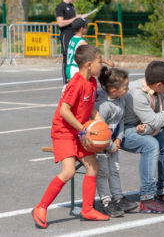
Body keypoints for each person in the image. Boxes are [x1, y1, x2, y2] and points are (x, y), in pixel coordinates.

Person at [32, 45, 109, 229]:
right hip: (64, 132)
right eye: (100, 61)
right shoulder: (76, 83)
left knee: (93, 166)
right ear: (89, 65)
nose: (103, 64)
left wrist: (102, 127)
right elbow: (65, 111)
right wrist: (83, 130)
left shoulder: (92, 82)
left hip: (79, 131)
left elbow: (91, 108)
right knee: (69, 172)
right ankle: (41, 207)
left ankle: (87, 209)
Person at [122, 61, 164, 214]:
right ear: (158, 85)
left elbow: (152, 123)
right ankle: (147, 198)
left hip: (143, 125)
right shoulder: (137, 94)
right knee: (150, 145)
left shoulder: (157, 89)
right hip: (122, 130)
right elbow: (156, 121)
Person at [95, 67, 139, 217]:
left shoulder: (120, 100)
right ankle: (106, 201)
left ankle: (118, 198)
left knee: (114, 170)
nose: (128, 90)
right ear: (113, 90)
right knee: (103, 172)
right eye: (125, 87)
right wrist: (110, 145)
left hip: (113, 143)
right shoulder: (103, 105)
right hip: (100, 145)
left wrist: (119, 138)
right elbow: (100, 129)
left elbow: (120, 121)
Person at [65, 18, 114, 83]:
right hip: (75, 69)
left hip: (69, 68)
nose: (87, 28)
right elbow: (93, 55)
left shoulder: (72, 38)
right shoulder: (82, 42)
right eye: (86, 27)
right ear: (82, 29)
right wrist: (107, 62)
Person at [56, 0, 88, 84]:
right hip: (66, 34)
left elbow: (73, 20)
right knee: (67, 57)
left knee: (76, 55)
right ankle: (66, 81)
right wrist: (75, 18)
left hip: (74, 33)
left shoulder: (72, 6)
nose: (74, 0)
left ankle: (75, 78)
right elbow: (60, 23)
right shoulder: (60, 6)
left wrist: (80, 18)